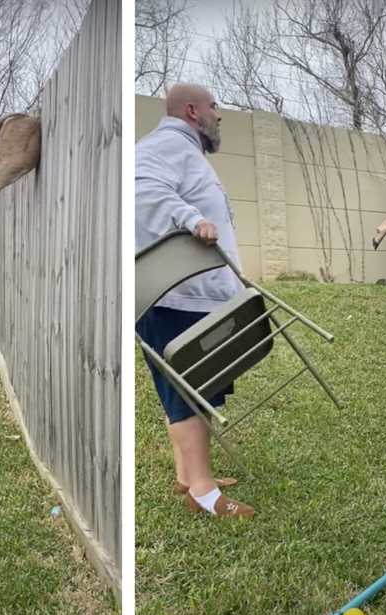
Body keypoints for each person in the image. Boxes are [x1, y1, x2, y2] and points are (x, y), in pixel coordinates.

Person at [136, 83, 253, 519]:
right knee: (190, 389)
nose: (218, 114)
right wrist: (192, 219)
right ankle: (203, 493)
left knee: (184, 388)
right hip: (174, 295)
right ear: (191, 110)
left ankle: (188, 474)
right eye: (213, 106)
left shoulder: (181, 149)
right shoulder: (167, 144)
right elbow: (141, 190)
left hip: (187, 294)